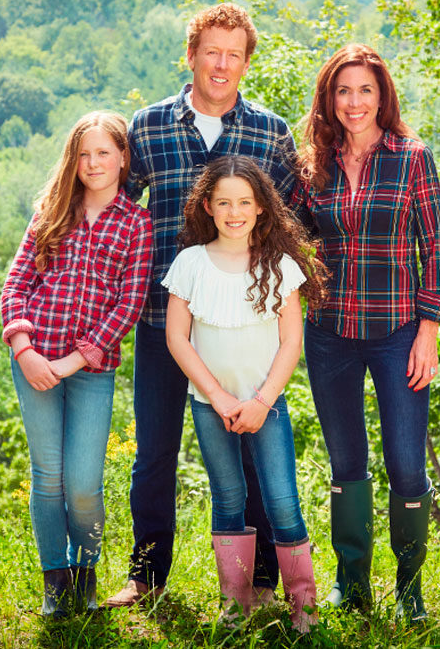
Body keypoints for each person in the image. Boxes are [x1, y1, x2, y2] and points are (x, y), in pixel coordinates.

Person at [105, 3, 300, 608]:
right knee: (154, 454)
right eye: (211, 51)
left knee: (254, 457)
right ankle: (146, 576)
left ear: (246, 63)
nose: (221, 64)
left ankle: (262, 583)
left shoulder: (271, 132)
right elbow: (115, 207)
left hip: (247, 328)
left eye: (233, 55)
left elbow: (291, 219)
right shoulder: (148, 126)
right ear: (190, 55)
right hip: (164, 322)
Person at [291, 44, 440, 622]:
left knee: (407, 465)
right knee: (346, 463)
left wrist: (429, 330)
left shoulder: (413, 158)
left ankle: (410, 590)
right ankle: (353, 586)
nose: (354, 102)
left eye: (365, 90)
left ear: (382, 95)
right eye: (343, 91)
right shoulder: (313, 165)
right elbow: (293, 241)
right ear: (329, 99)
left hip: (398, 332)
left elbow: (434, 247)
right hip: (330, 332)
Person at [163, 156, 327, 631]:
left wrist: (261, 402)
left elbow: (291, 342)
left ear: (261, 208)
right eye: (223, 203)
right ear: (207, 207)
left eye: (244, 203)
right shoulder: (190, 263)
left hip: (266, 405)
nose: (234, 212)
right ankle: (235, 606)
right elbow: (177, 338)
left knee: (282, 501)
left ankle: (304, 610)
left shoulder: (279, 266)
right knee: (228, 497)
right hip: (210, 406)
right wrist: (217, 397)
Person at [0, 111, 153, 619]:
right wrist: (24, 349)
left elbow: (128, 306)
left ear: (123, 158)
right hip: (34, 361)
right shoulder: (52, 211)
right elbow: (16, 284)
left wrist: (70, 362)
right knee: (48, 477)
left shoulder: (136, 223)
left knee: (83, 484)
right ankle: (55, 582)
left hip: (90, 371)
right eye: (84, 154)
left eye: (104, 152)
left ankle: (86, 574)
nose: (93, 163)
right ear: (73, 159)